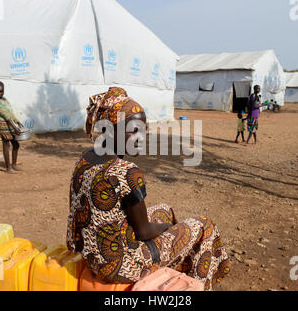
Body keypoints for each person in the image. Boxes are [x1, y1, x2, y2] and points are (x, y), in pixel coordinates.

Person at [66, 87, 230, 291]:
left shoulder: (85, 159)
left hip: (91, 254)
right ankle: (197, 285)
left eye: (143, 131)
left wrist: (162, 225)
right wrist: (164, 229)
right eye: (133, 131)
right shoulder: (126, 172)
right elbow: (144, 232)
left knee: (164, 209)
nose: (141, 138)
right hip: (119, 266)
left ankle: (175, 268)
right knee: (205, 225)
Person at [0, 81, 23, 174]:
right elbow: (5, 114)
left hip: (10, 124)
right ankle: (8, 168)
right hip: (3, 125)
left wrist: (17, 121)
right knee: (6, 145)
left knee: (16, 145)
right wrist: (14, 127)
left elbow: (10, 112)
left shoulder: (5, 99)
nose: (0, 93)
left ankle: (14, 165)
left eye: (2, 91)